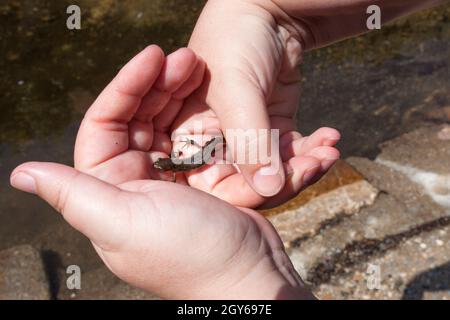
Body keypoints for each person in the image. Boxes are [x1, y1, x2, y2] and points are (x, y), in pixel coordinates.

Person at [10, 0, 443, 299]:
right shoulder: (176, 163)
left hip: (201, 156)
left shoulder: (183, 161)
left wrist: (231, 277)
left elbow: (190, 160)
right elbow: (182, 162)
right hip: (197, 155)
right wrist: (266, 13)